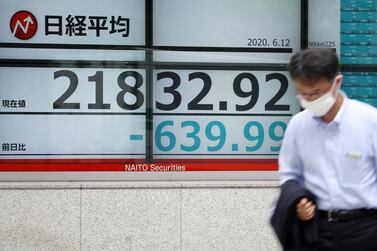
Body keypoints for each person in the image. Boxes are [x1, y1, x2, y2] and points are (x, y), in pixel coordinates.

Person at [278, 48, 377, 251]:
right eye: (304, 94)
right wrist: (298, 202)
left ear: (337, 82)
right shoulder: (297, 126)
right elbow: (289, 174)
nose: (310, 100)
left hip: (366, 229)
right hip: (317, 230)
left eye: (317, 93)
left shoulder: (369, 121)